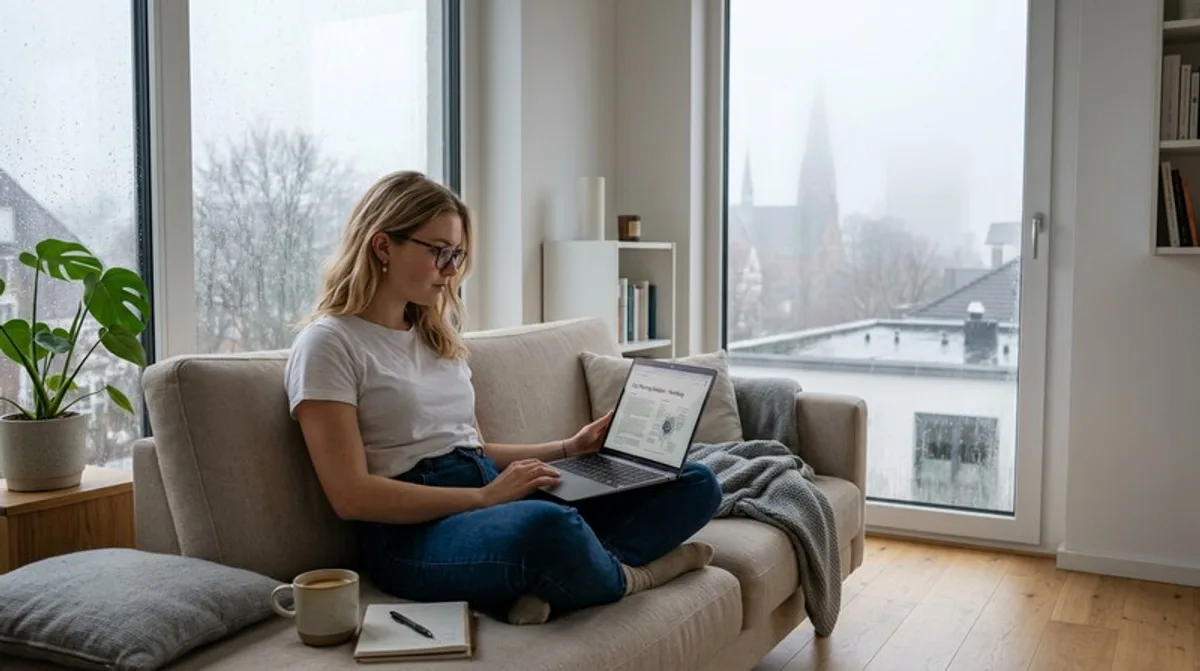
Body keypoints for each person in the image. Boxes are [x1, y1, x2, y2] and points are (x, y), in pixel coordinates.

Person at [284, 170, 721, 625]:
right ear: (382, 246)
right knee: (546, 528)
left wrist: (571, 448)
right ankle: (636, 576)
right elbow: (351, 496)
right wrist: (484, 499)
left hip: (488, 491)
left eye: (456, 254)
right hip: (410, 534)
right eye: (438, 252)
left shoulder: (437, 335)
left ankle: (560, 575)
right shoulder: (329, 344)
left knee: (693, 481)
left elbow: (473, 448)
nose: (450, 270)